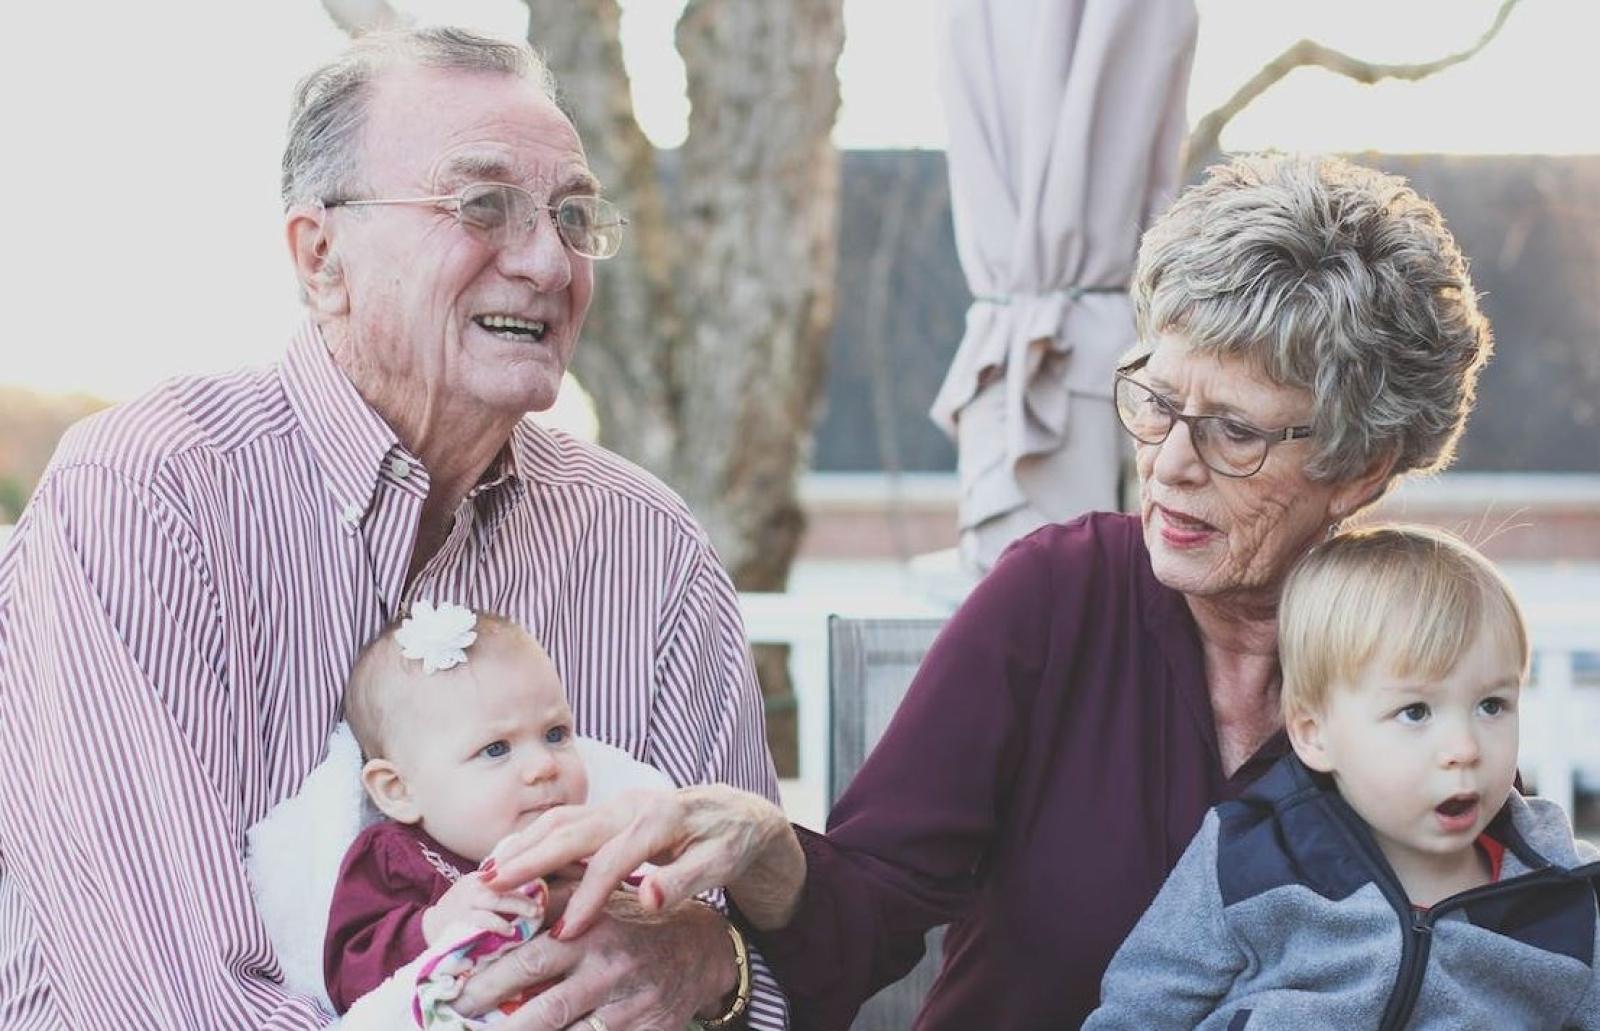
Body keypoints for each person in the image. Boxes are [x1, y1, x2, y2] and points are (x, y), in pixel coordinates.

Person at [473, 152, 1500, 1028]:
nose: (1170, 463)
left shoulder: (1427, 654)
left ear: (1360, 469)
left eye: (1232, 430)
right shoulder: (1060, 597)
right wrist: (767, 845)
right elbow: (866, 911)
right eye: (1155, 398)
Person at [0, 27, 785, 1029]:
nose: (549, 260)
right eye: (482, 204)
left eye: (574, 214)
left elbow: (753, 956)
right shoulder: (150, 495)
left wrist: (705, 963)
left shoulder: (649, 544)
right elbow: (163, 1001)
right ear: (322, 255)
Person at [1084, 526, 1600, 1028]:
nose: (1464, 749)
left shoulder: (1564, 893)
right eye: (1415, 712)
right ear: (1314, 734)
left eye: (1492, 705)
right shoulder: (1249, 857)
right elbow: (1139, 1012)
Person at [323, 603, 586, 1012]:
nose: (544, 765)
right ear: (399, 790)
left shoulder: (589, 845)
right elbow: (348, 977)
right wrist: (433, 926)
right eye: (495, 748)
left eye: (556, 734)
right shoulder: (397, 857)